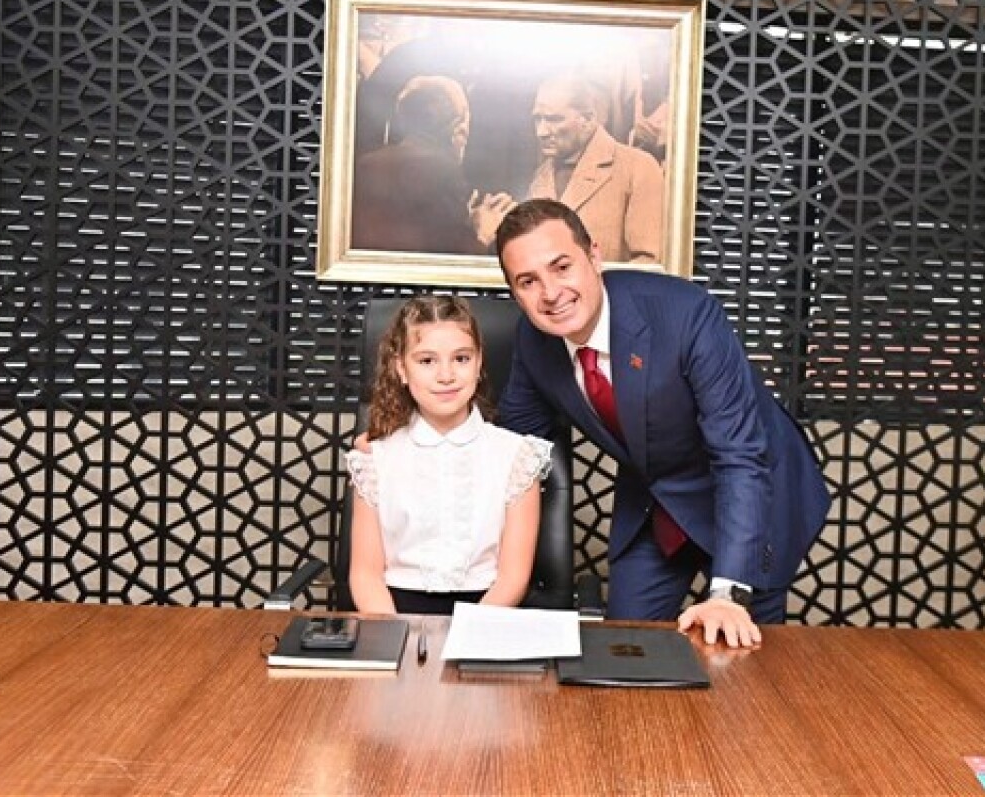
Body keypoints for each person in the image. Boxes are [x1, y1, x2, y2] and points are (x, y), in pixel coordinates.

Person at [494, 199, 830, 646]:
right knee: (624, 648)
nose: (551, 293)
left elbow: (739, 455)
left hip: (750, 492)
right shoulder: (534, 341)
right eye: (528, 281)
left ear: (594, 256)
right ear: (515, 293)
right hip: (656, 500)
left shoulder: (685, 314)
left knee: (742, 654)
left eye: (562, 267)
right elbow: (514, 445)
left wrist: (727, 595)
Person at [345, 296, 552, 615]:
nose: (446, 375)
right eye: (427, 361)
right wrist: (395, 633)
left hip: (488, 612)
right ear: (402, 368)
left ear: (479, 363)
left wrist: (469, 633)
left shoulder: (518, 457)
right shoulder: (375, 459)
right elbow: (365, 575)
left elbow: (513, 578)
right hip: (392, 613)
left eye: (461, 358)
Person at [352, 76, 513, 256]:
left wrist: (465, 222)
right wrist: (483, 233)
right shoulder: (443, 171)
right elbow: (451, 260)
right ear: (459, 130)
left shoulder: (364, 165)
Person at [522, 75, 664, 263]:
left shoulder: (638, 168)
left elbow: (649, 263)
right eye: (537, 119)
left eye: (554, 119)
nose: (541, 132)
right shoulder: (540, 177)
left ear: (588, 119)